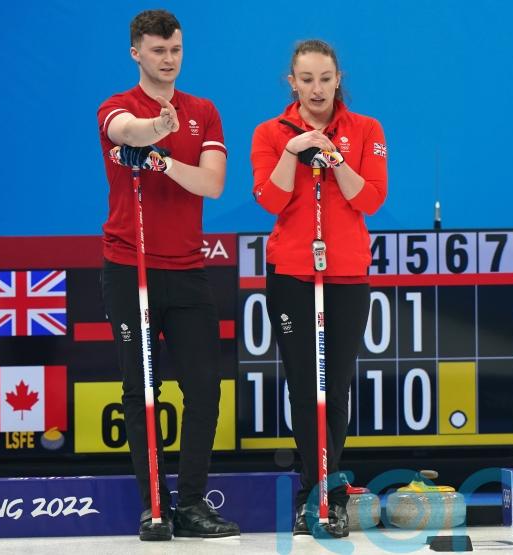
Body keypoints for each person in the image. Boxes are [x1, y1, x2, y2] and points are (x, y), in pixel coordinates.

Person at [97, 9, 240, 541]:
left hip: (186, 270)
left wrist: (161, 161)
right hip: (127, 266)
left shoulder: (203, 110)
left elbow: (213, 183)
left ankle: (194, 503)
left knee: (204, 386)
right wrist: (156, 128)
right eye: (158, 51)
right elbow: (124, 130)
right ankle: (153, 505)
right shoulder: (116, 106)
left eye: (175, 50)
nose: (169, 59)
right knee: (141, 389)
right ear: (137, 52)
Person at [250, 39, 388, 537]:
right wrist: (293, 149)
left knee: (339, 384)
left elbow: (370, 198)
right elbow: (269, 197)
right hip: (291, 274)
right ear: (292, 82)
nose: (316, 89)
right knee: (305, 386)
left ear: (338, 79)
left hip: (346, 273)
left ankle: (331, 492)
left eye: (324, 79)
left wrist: (332, 158)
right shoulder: (270, 132)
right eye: (305, 79)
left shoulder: (366, 129)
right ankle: (315, 491)